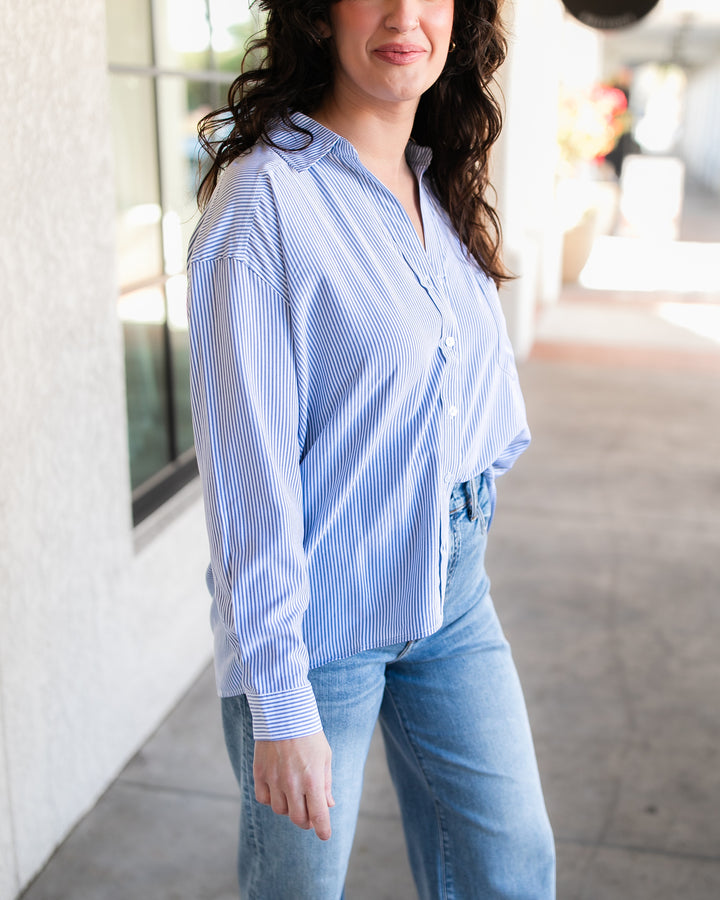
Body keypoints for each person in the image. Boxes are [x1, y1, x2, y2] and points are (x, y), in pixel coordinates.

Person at [187, 1, 555, 897]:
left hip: (454, 587)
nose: (404, 15)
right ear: (317, 14)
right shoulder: (265, 204)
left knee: (511, 866)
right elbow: (249, 483)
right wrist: (279, 701)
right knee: (300, 890)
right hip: (321, 624)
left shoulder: (432, 176)